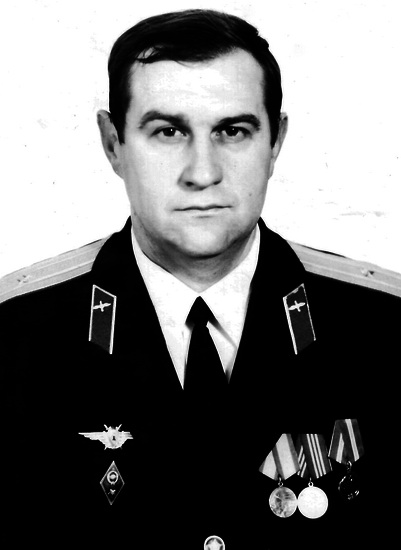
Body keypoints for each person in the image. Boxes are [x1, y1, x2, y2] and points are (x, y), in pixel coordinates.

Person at [1, 9, 398, 549]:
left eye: (233, 131)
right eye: (168, 131)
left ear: (276, 142)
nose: (202, 172)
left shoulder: (384, 329)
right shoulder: (14, 336)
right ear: (113, 143)